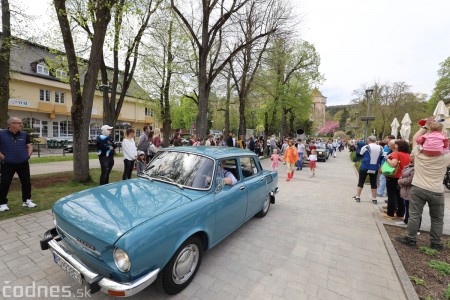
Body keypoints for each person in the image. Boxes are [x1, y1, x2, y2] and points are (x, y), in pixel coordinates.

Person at [396, 117, 450, 250]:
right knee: (437, 218)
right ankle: (436, 242)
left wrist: (425, 127)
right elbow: (446, 144)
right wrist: (442, 131)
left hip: (418, 187)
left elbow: (415, 138)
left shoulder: (419, 153)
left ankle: (411, 238)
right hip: (437, 190)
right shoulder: (446, 156)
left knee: (415, 214)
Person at [0, 117, 37, 211]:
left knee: (26, 182)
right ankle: (3, 203)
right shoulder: (1, 134)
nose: (21, 125)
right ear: (11, 124)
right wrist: (4, 158)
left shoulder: (24, 134)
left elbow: (29, 146)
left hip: (23, 163)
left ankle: (27, 201)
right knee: (5, 183)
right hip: (7, 164)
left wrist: (28, 156)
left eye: (21, 123)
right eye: (19, 123)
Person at [352, 136, 383, 204]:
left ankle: (358, 197)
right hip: (375, 167)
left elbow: (360, 155)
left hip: (365, 167)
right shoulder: (381, 147)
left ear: (368, 140)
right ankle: (374, 199)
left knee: (361, 181)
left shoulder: (365, 147)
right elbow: (382, 157)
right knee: (373, 183)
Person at [384, 139, 411, 219]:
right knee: (400, 196)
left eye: (396, 144)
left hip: (394, 177)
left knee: (391, 195)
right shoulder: (408, 155)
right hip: (403, 177)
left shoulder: (396, 154)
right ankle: (400, 214)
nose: (395, 146)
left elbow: (393, 164)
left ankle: (390, 213)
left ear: (399, 146)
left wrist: (387, 159)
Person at [397, 159, 421, 233]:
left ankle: (416, 229)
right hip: (406, 190)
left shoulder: (417, 168)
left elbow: (409, 180)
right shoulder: (408, 166)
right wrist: (401, 180)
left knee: (414, 210)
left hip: (413, 190)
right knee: (406, 205)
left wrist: (401, 181)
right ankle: (406, 220)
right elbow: (402, 176)